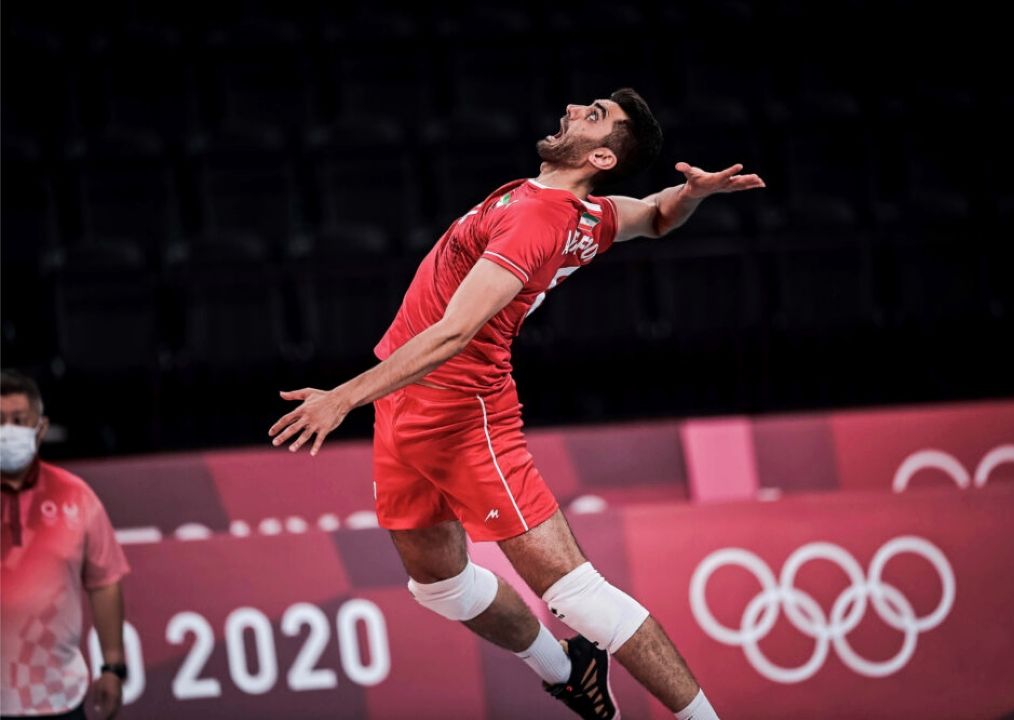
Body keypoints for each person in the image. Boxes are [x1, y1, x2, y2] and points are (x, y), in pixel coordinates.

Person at [269, 88, 764, 719]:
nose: (574, 109)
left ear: (603, 158)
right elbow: (655, 216)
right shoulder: (582, 213)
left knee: (577, 596)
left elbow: (454, 333)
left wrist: (341, 399)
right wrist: (691, 194)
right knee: (441, 586)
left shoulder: (538, 220)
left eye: (594, 117)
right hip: (404, 402)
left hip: (462, 412)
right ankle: (569, 672)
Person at [1, 371, 130, 720]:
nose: (7, 431)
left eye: (18, 421)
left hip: (57, 696)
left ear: (41, 428)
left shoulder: (75, 495)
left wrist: (113, 666)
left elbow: (104, 582)